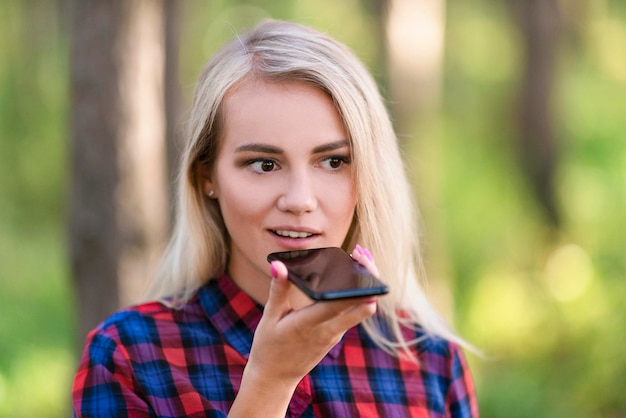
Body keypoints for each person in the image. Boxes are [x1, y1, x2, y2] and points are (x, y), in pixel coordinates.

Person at [72, 19, 479, 417]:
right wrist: (270, 381)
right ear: (206, 177)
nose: (300, 200)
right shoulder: (130, 357)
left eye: (333, 161)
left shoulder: (430, 362)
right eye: (264, 164)